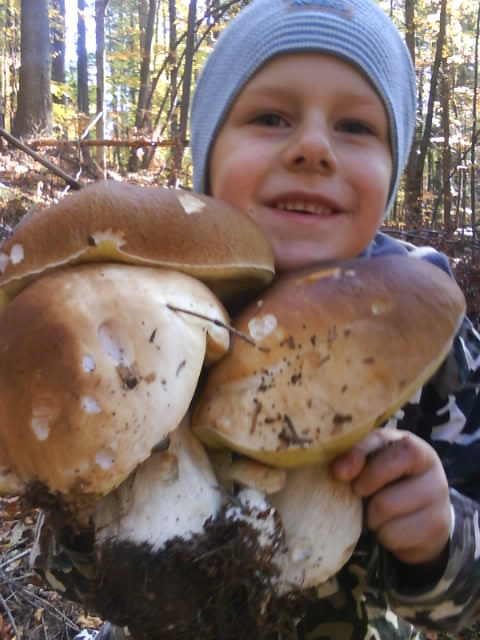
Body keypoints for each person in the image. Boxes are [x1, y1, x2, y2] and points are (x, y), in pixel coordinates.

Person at [40, 0, 480, 638]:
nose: (312, 148)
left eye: (356, 128)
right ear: (208, 160)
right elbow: (79, 579)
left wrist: (442, 542)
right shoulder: (149, 327)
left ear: (391, 175)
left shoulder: (435, 343)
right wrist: (87, 514)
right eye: (271, 117)